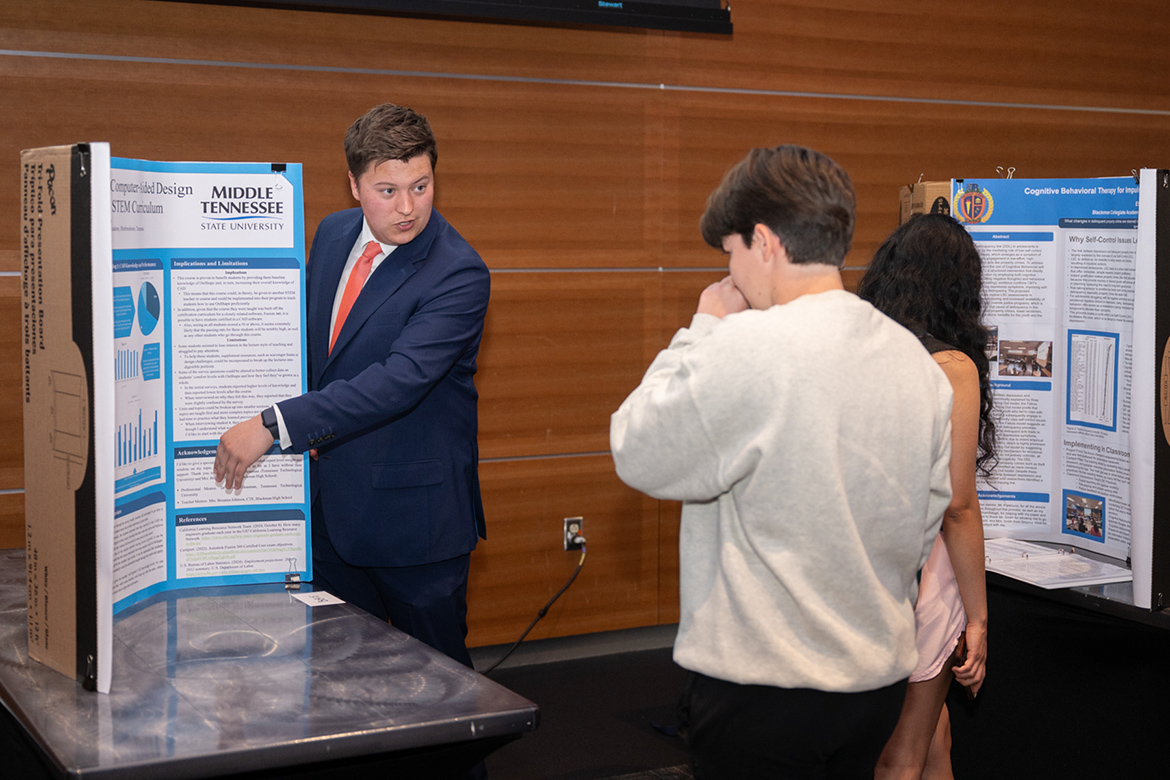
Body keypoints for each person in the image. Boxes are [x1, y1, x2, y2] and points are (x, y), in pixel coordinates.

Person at [609, 145, 955, 779]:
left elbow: (638, 449)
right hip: (874, 686)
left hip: (763, 689)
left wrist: (702, 328)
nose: (731, 277)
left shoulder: (746, 346)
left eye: (731, 255)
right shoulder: (915, 362)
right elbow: (926, 520)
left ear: (764, 242)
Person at [214, 103, 490, 669]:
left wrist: (274, 424)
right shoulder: (334, 232)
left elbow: (396, 382)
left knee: (439, 700)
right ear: (353, 183)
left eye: (421, 185)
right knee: (340, 687)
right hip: (332, 517)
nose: (408, 207)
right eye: (387, 190)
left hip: (418, 528)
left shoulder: (459, 273)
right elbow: (318, 351)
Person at [858, 213, 996, 780]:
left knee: (933, 728)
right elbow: (957, 506)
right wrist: (980, 617)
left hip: (861, 562)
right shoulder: (950, 365)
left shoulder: (859, 349)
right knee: (903, 752)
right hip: (923, 575)